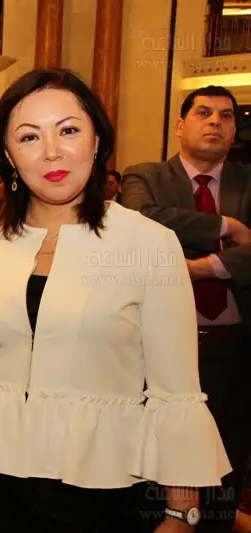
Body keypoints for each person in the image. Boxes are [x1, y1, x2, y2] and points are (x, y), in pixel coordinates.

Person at [0, 68, 230, 532]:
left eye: (68, 130)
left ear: (97, 140)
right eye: (29, 137)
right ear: (8, 155)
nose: (52, 151)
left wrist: (180, 512)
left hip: (102, 485)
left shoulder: (148, 243)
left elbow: (176, 390)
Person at [122, 85, 251, 533]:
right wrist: (226, 226)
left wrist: (197, 268)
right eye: (203, 112)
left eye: (226, 115)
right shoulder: (145, 177)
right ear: (180, 125)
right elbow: (142, 220)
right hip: (162, 347)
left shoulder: (248, 181)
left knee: (228, 459)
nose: (216, 121)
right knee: (161, 460)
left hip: (236, 345)